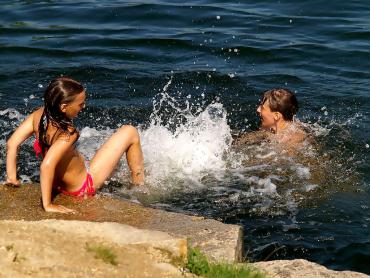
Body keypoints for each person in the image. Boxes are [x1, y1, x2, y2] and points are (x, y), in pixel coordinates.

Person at [5, 77, 144, 213]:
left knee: (104, 158)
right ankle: (139, 187)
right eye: (80, 104)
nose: (83, 107)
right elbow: (46, 166)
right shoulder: (68, 132)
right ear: (64, 107)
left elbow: (12, 143)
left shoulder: (39, 115)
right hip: (83, 187)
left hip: (55, 184)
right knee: (129, 131)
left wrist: (12, 178)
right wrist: (47, 205)